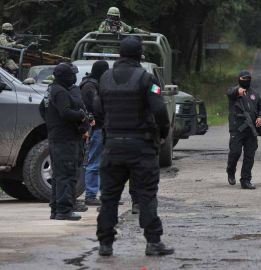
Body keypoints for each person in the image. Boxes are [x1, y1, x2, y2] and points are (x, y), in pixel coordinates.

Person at [94, 36, 173, 256]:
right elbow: (159, 110)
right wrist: (163, 132)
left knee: (109, 197)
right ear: (140, 55)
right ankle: (153, 242)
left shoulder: (105, 79)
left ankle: (105, 244)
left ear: (120, 55)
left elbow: (97, 108)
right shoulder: (147, 80)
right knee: (146, 194)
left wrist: (108, 128)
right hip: (141, 147)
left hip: (112, 147)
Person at [39, 63, 89, 221]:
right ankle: (64, 210)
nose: (74, 78)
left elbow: (42, 108)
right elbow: (66, 112)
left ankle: (56, 209)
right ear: (66, 76)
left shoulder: (51, 89)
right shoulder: (60, 91)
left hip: (57, 136)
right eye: (72, 75)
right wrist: (81, 116)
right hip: (65, 138)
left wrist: (52, 124)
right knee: (66, 174)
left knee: (58, 175)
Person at [226, 70, 261, 190]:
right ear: (239, 80)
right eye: (243, 79)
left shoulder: (255, 94)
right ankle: (230, 171)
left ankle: (246, 180)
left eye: (248, 79)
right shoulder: (234, 92)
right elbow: (230, 93)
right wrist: (237, 92)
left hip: (251, 129)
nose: (246, 81)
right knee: (235, 152)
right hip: (237, 129)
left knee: (249, 155)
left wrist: (260, 117)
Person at [80, 60, 109, 206]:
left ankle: (105, 195)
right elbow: (94, 107)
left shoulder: (95, 84)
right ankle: (90, 195)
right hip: (96, 128)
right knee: (94, 162)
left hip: (102, 127)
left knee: (104, 163)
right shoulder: (89, 86)